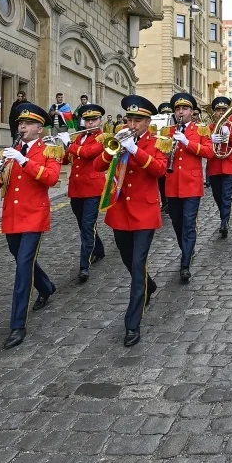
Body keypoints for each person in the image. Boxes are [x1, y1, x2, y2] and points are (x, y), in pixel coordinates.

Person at [0, 101, 63, 348]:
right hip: (12, 217)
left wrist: (24, 160)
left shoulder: (49, 151)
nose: (23, 127)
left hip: (33, 217)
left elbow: (51, 178)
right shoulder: (11, 151)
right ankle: (46, 287)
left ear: (40, 128)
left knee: (22, 269)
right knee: (21, 259)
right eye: (21, 123)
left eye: (28, 123)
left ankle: (17, 325)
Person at [98, 96, 167, 346]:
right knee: (128, 260)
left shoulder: (159, 142)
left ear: (148, 122)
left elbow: (159, 170)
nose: (133, 124)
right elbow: (97, 166)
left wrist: (136, 150)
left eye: (138, 120)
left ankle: (132, 324)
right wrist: (111, 149)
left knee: (138, 265)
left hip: (145, 213)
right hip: (120, 211)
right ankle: (149, 284)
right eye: (130, 119)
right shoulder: (118, 138)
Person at [164, 92, 210, 282]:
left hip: (191, 184)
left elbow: (209, 152)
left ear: (192, 111)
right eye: (178, 109)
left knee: (189, 223)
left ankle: (185, 263)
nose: (181, 112)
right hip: (173, 184)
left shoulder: (201, 131)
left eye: (184, 109)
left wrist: (187, 142)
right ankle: (186, 249)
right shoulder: (168, 131)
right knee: (177, 222)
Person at [59, 104, 108, 282]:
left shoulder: (102, 137)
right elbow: (66, 158)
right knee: (83, 225)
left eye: (93, 120)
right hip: (76, 188)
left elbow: (88, 153)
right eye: (87, 120)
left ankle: (84, 267)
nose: (89, 124)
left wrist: (69, 144)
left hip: (93, 189)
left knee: (87, 226)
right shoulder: (79, 137)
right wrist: (59, 147)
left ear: (99, 121)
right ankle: (99, 249)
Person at [205, 96, 232, 238]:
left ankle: (224, 222)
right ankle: (223, 216)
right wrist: (211, 138)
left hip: (230, 165)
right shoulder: (209, 128)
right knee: (217, 195)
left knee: (226, 196)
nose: (221, 113)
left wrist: (230, 135)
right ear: (214, 112)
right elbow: (205, 146)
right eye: (218, 110)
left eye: (224, 110)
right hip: (214, 166)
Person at [155, 102, 173, 210]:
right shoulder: (157, 125)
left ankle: (170, 201)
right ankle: (164, 201)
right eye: (164, 113)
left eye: (168, 112)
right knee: (161, 181)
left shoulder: (174, 127)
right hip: (161, 156)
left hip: (172, 158)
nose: (166, 115)